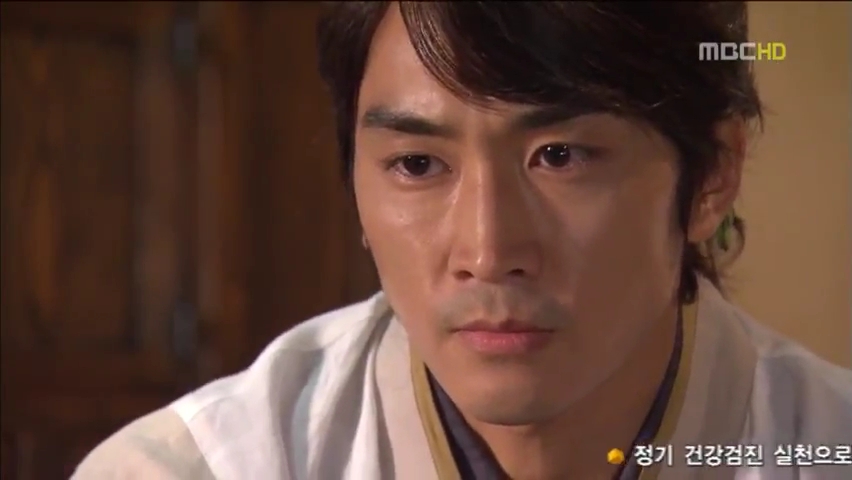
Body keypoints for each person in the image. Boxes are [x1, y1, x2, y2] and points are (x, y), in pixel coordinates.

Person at [74, 2, 852, 479]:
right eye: (417, 165)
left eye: (561, 156)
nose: (487, 249)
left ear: (711, 175)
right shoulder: (199, 469)